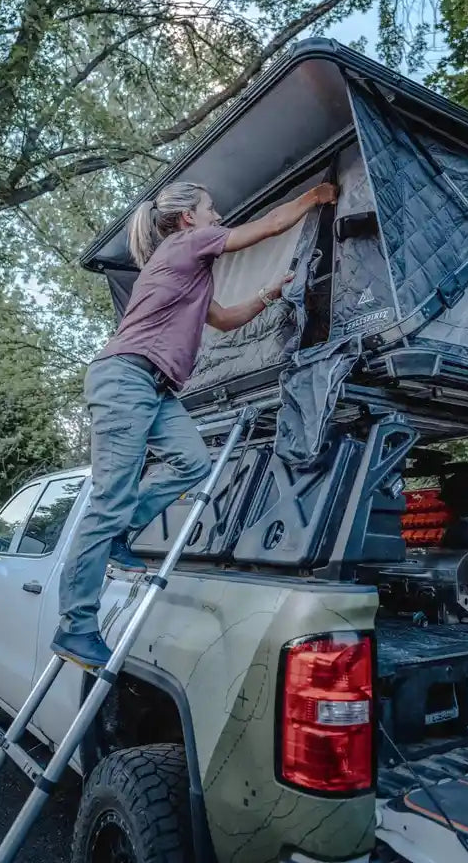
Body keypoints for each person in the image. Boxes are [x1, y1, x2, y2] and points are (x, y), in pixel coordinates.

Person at [53, 178, 338, 667]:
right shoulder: (187, 243)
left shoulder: (190, 273)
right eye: (211, 209)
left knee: (192, 462)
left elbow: (225, 319)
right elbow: (270, 225)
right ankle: (75, 626)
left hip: (155, 386)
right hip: (125, 379)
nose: (218, 215)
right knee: (109, 498)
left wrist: (270, 295)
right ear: (188, 218)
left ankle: (121, 533)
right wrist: (315, 197)